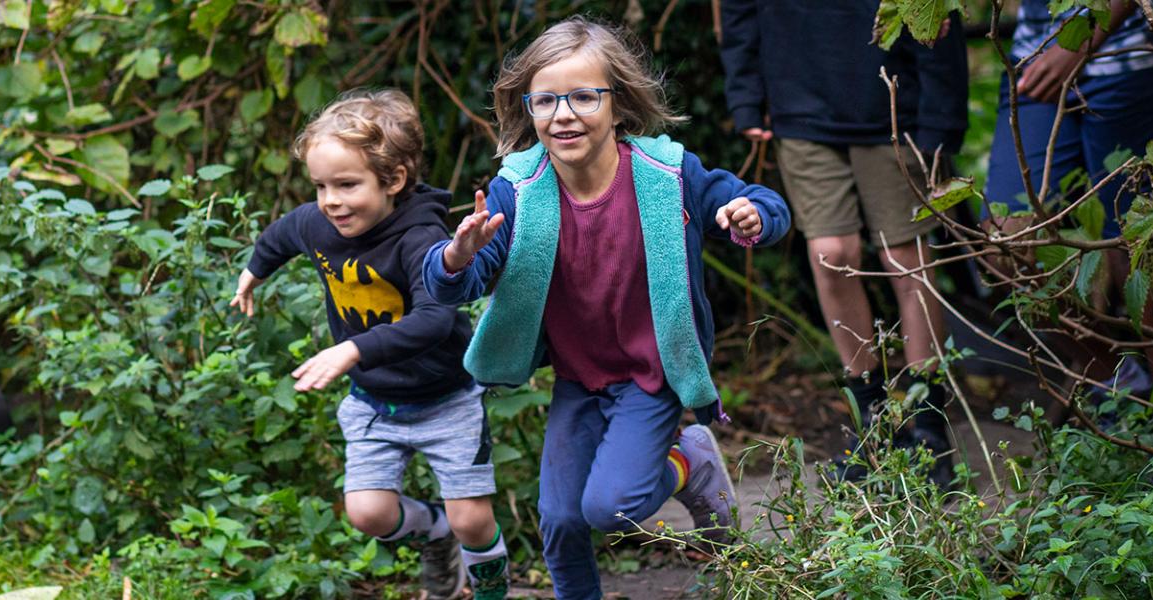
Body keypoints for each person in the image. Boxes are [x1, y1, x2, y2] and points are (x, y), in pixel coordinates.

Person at [423, 17, 790, 599]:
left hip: (651, 375)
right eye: (546, 100)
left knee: (610, 508)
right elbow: (456, 282)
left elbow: (760, 203)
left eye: (583, 97)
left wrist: (751, 215)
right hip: (579, 377)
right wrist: (455, 256)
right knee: (561, 518)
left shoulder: (667, 174)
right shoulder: (516, 191)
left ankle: (688, 464)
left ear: (618, 106)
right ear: (529, 110)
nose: (563, 113)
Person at [230, 89, 507, 599]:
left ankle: (489, 588)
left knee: (472, 520)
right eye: (320, 186)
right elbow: (282, 234)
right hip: (375, 402)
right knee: (368, 513)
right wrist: (253, 272)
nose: (331, 200)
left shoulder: (418, 238)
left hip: (446, 401)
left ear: (394, 179)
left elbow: (435, 320)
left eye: (347, 185)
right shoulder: (320, 221)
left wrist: (353, 349)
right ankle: (436, 536)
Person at [717, 0, 969, 486]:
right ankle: (871, 424)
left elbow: (937, 13)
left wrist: (941, 118)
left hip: (895, 103)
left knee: (905, 259)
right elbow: (740, 11)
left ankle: (929, 430)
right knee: (831, 254)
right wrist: (745, 95)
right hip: (803, 103)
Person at [986, 0, 1153, 409]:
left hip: (1138, 55)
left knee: (1142, 243)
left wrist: (1078, 44)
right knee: (1005, 239)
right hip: (1036, 55)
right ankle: (1118, 387)